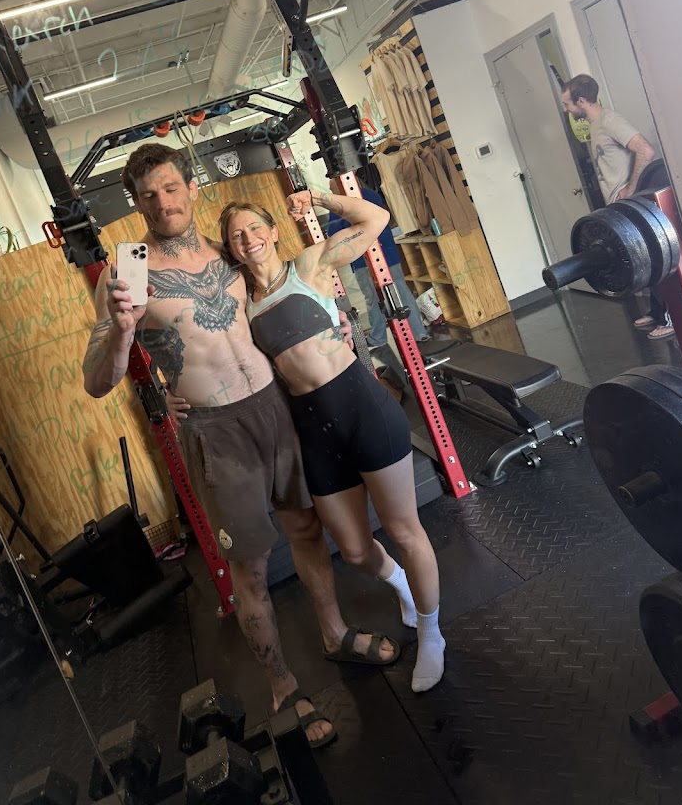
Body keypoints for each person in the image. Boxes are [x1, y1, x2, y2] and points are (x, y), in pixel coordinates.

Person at [81, 144, 401, 750]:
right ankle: (283, 686)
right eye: (148, 195)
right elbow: (97, 381)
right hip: (215, 432)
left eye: (171, 188)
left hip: (276, 410)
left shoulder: (231, 252)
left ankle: (334, 634)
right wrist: (123, 334)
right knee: (250, 568)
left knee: (308, 531)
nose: (162, 203)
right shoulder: (130, 271)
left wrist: (330, 321)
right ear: (136, 204)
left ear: (192, 187)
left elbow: (281, 298)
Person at [221, 190, 445, 693]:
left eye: (255, 228)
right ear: (231, 248)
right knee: (355, 550)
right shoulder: (241, 305)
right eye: (237, 235)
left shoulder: (308, 265)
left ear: (272, 231)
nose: (249, 239)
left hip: (363, 410)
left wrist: (318, 197)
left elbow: (376, 217)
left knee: (404, 531)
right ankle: (402, 585)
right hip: (313, 430)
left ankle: (432, 633)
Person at [560, 74, 674, 341]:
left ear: (581, 101)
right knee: (645, 261)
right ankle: (657, 312)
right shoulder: (595, 126)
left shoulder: (609, 120)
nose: (566, 110)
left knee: (656, 259)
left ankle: (669, 318)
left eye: (567, 104)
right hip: (622, 207)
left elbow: (645, 150)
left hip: (635, 205)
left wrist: (631, 187)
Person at [326, 182, 430, 349]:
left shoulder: (338, 206)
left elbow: (333, 236)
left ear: (339, 184)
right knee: (401, 292)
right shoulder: (371, 195)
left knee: (373, 298)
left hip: (363, 260)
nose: (332, 191)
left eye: (332, 188)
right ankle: (419, 333)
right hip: (388, 254)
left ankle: (378, 337)